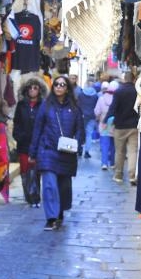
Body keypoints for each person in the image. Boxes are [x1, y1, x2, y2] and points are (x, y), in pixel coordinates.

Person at [28, 75, 85, 230]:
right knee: (49, 185)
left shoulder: (74, 108)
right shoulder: (46, 106)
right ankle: (51, 218)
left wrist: (77, 145)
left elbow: (80, 129)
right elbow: (37, 129)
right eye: (56, 85)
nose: (59, 87)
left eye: (62, 85)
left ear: (67, 88)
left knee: (63, 186)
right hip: (47, 151)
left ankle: (59, 212)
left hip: (67, 153)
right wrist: (33, 152)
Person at [11, 74, 47, 207]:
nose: (32, 90)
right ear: (26, 90)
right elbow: (17, 124)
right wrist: (20, 136)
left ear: (40, 90)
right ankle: (28, 196)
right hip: (24, 145)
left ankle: (36, 197)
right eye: (30, 88)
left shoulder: (43, 105)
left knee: (36, 172)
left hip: (38, 145)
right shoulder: (21, 105)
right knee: (25, 172)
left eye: (35, 88)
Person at [107, 71, 139, 184]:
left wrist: (107, 119)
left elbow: (113, 107)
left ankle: (118, 175)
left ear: (124, 79)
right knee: (132, 152)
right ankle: (132, 176)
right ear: (134, 79)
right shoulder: (137, 91)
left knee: (119, 152)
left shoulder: (119, 91)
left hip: (120, 126)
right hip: (134, 126)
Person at [94, 80, 118, 171]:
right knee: (113, 145)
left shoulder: (101, 98)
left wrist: (99, 117)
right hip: (115, 124)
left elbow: (97, 111)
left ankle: (104, 163)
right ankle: (112, 163)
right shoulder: (117, 99)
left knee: (104, 145)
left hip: (104, 124)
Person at [76, 78, 100, 159]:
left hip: (82, 116)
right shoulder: (95, 96)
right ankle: (87, 152)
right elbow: (97, 107)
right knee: (89, 134)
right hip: (92, 117)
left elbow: (78, 105)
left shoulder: (81, 94)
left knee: (80, 133)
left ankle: (79, 149)